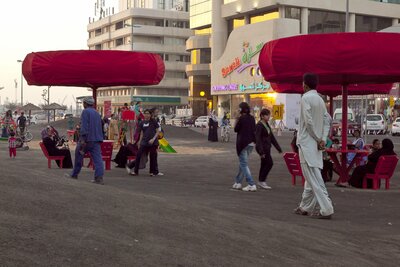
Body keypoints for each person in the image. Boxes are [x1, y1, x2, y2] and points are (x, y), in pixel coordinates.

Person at [294, 73, 334, 219]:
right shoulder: (320, 100)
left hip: (307, 143)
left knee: (313, 178)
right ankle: (305, 206)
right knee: (312, 177)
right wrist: (322, 138)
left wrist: (318, 139)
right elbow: (327, 120)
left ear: (305, 84)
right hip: (316, 145)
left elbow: (308, 121)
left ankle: (327, 208)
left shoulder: (305, 98)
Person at [67, 96, 104, 184]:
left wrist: (83, 139)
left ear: (85, 104)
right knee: (98, 160)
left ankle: (75, 174)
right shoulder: (96, 113)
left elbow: (84, 127)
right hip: (96, 140)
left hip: (87, 139)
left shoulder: (85, 112)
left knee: (79, 155)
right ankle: (99, 178)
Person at [128, 109, 161, 176]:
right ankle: (135, 171)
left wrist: (153, 139)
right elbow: (142, 133)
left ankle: (152, 172)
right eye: (145, 113)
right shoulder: (142, 122)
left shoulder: (153, 121)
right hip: (144, 142)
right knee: (138, 155)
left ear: (150, 114)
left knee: (152, 157)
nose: (146, 115)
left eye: (148, 113)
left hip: (152, 142)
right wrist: (139, 142)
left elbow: (158, 131)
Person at [255, 108, 282, 189]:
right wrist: (261, 151)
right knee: (269, 163)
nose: (269, 116)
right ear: (262, 116)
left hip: (267, 147)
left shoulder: (266, 124)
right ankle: (262, 181)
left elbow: (272, 138)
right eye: (267, 115)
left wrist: (278, 148)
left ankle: (261, 181)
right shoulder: (259, 125)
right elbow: (258, 139)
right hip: (263, 148)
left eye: (269, 115)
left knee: (263, 164)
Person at [232, 102, 257, 192]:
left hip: (243, 144)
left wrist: (236, 118)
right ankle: (238, 182)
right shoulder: (252, 118)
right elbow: (254, 130)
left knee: (244, 164)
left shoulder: (241, 118)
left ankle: (251, 184)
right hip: (251, 144)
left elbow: (235, 129)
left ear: (241, 109)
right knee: (243, 163)